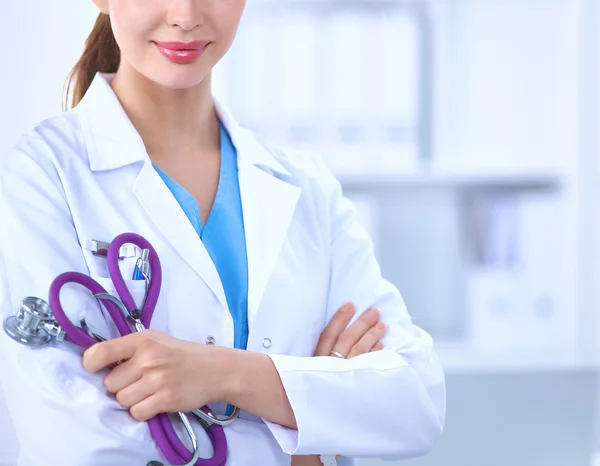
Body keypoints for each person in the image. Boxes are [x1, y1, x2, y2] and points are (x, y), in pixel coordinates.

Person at [0, 0, 446, 465]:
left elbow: (415, 403)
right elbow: (80, 446)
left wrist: (221, 373)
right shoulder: (43, 174)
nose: (185, 15)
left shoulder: (305, 187)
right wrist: (306, 432)